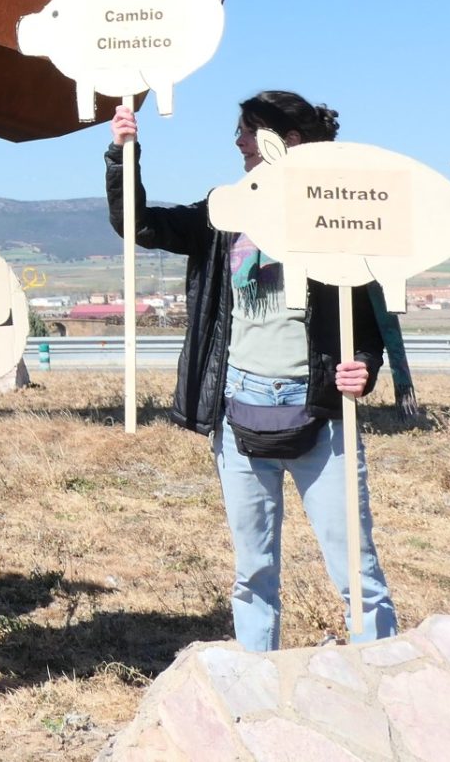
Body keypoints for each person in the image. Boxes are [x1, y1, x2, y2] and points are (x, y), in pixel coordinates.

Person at [106, 89, 395, 652]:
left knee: (357, 575)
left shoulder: (342, 213)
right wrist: (124, 155)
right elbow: (139, 225)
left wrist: (363, 365)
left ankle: (383, 682)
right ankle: (259, 688)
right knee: (252, 574)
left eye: (249, 130)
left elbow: (370, 317)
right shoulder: (226, 210)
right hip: (239, 407)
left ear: (287, 141)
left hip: (322, 413)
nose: (237, 141)